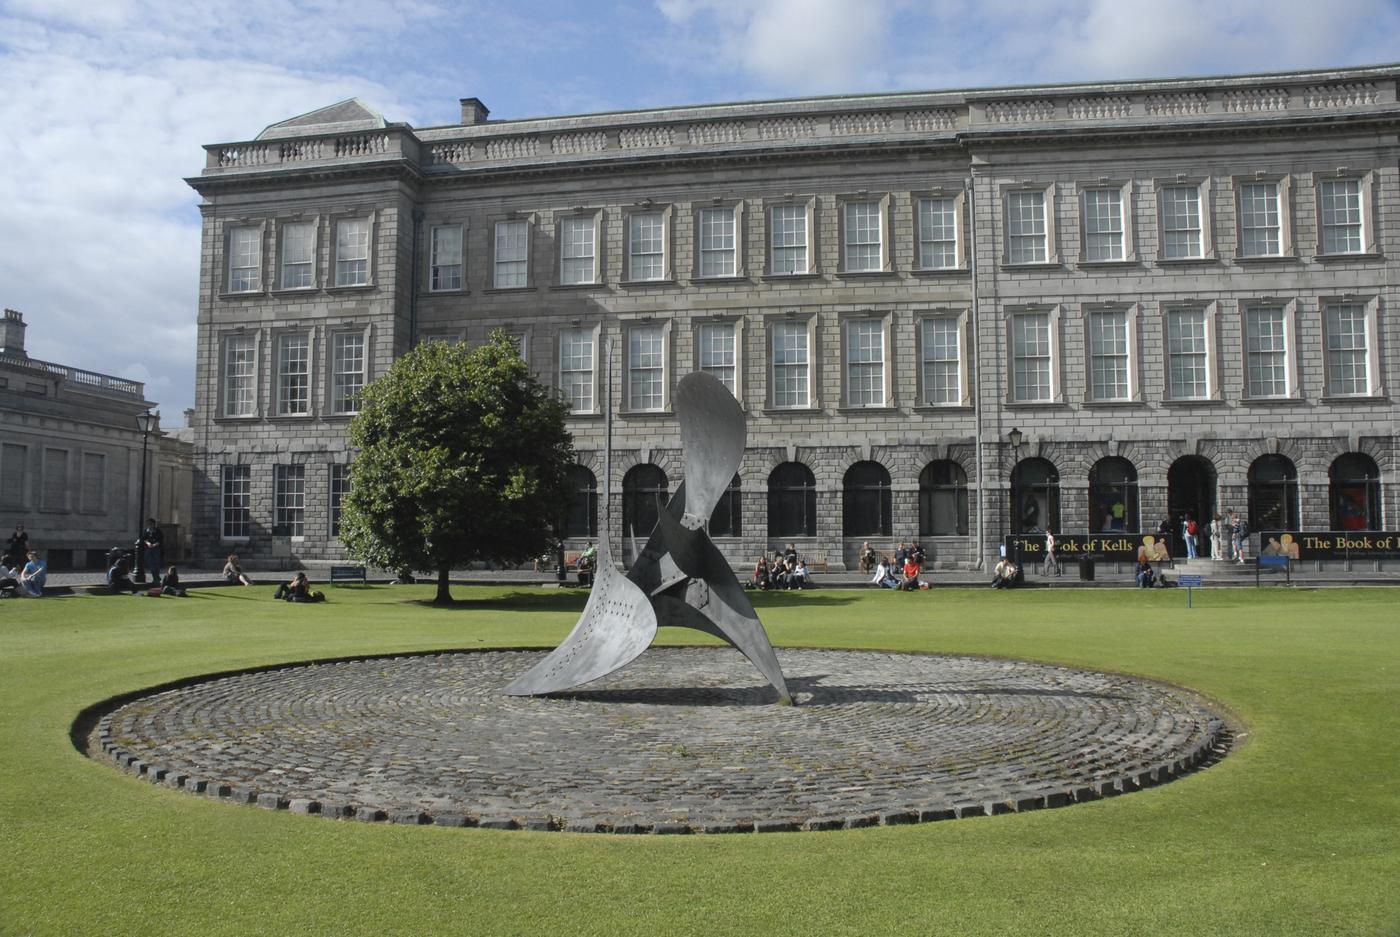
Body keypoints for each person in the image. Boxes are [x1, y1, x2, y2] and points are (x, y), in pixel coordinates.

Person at [140, 517, 164, 583]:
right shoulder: (146, 531)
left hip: (156, 548)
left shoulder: (158, 531)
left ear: (153, 524)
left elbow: (160, 540)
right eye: (148, 524)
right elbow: (144, 539)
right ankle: (156, 577)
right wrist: (148, 543)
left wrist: (154, 545)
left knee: (156, 563)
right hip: (148, 548)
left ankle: (155, 578)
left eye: (151, 524)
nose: (149, 525)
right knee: (149, 561)